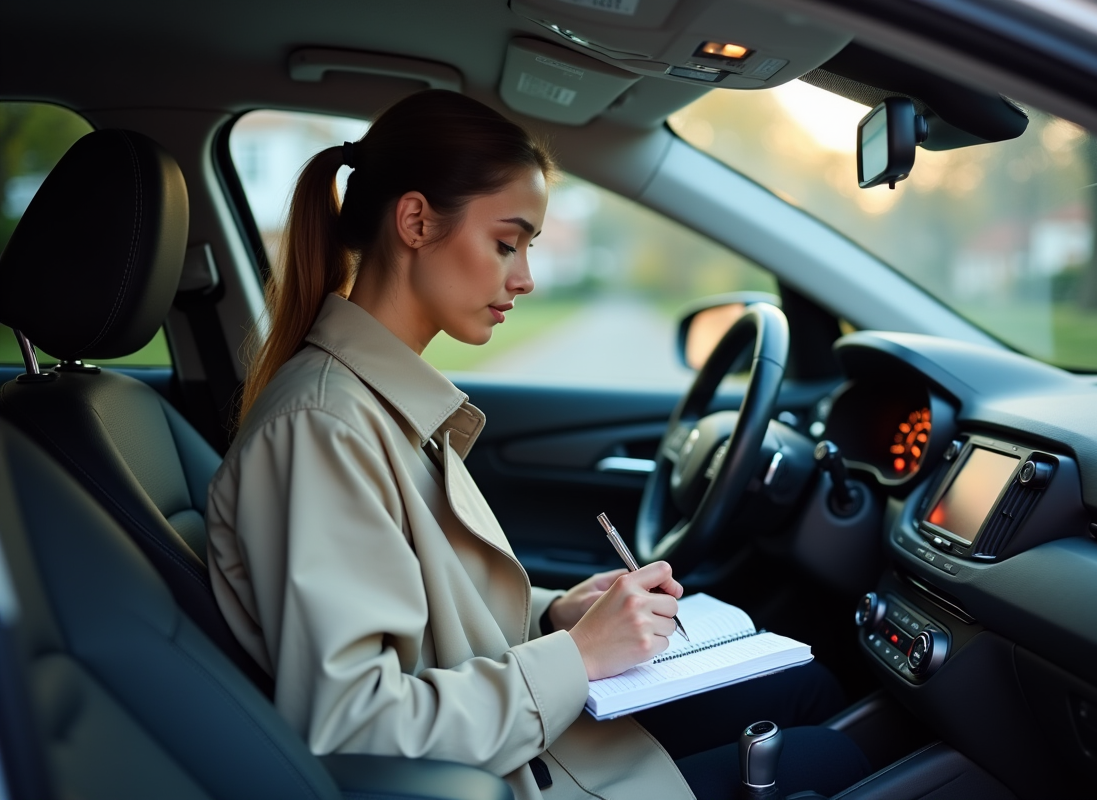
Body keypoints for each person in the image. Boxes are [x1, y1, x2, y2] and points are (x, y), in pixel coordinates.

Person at [206, 89, 870, 800]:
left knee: (809, 690)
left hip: (517, 739)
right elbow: (352, 723)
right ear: (416, 220)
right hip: (506, 775)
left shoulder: (371, 404)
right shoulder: (321, 429)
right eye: (505, 243)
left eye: (527, 248)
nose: (523, 278)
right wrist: (578, 657)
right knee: (832, 760)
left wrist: (553, 616)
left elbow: (433, 622)